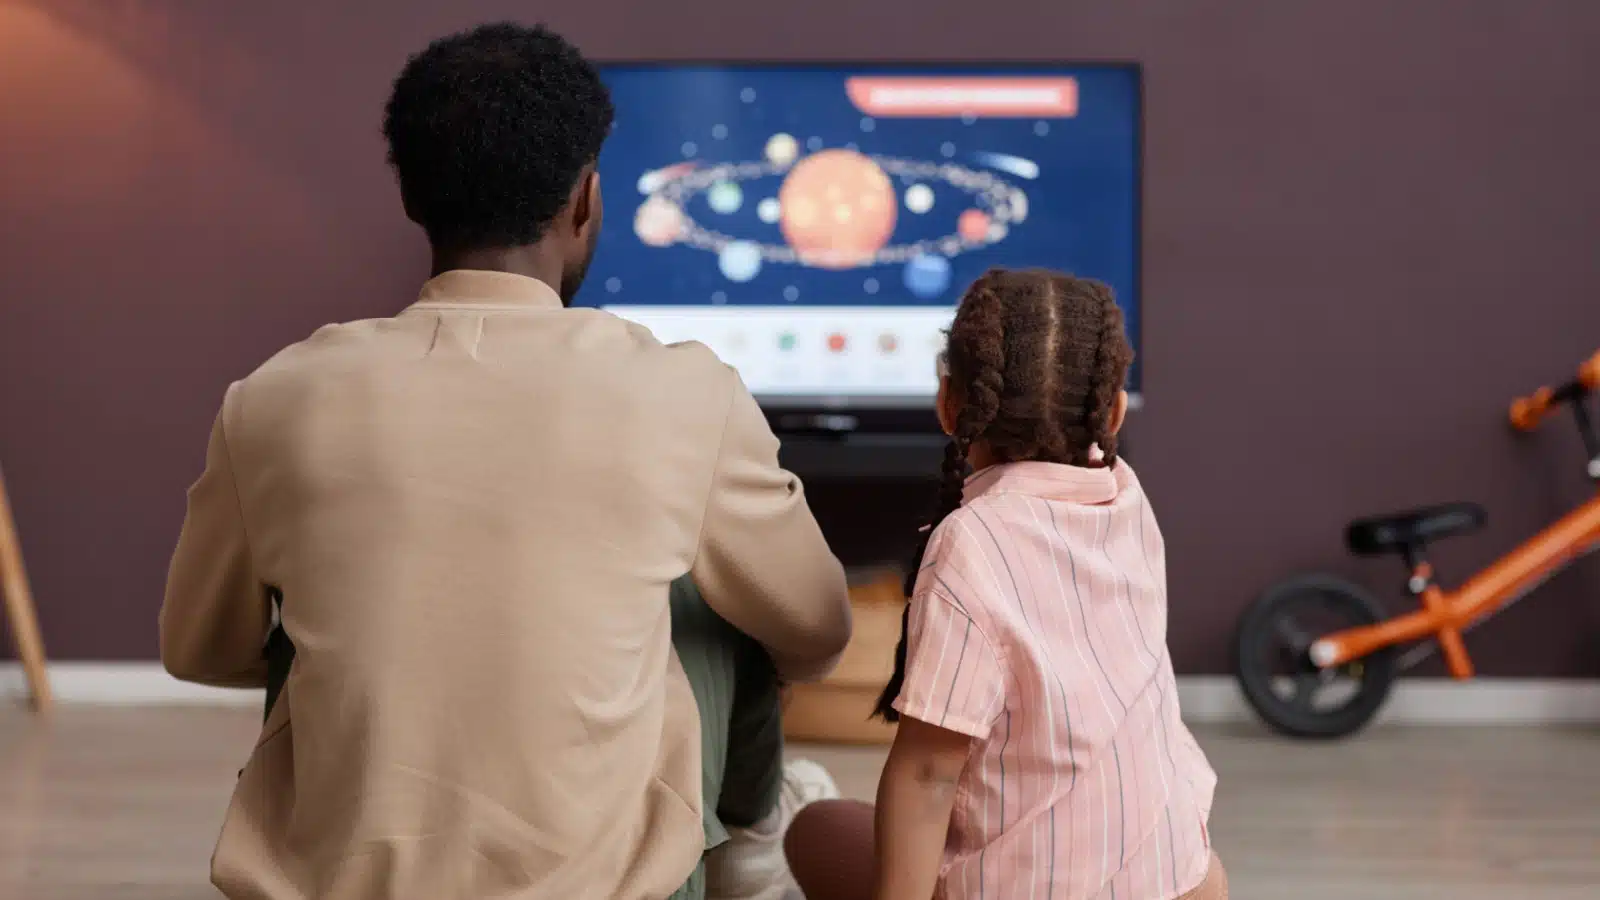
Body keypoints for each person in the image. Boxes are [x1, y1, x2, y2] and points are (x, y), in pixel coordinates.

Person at [160, 22, 851, 900]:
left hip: (336, 881)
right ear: (584, 201)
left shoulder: (273, 396)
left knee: (315, 619)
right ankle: (750, 842)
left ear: (412, 198)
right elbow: (817, 629)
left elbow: (200, 647)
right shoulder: (686, 391)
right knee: (714, 591)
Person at [783, 269, 1225, 900]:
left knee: (816, 826)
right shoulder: (1128, 498)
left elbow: (930, 771)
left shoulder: (972, 542)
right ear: (1115, 409)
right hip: (1164, 875)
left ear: (947, 402)